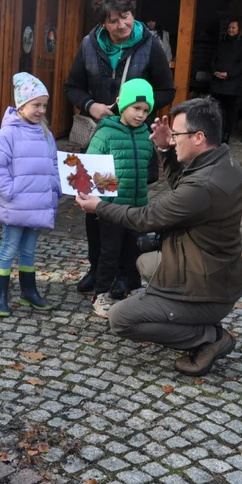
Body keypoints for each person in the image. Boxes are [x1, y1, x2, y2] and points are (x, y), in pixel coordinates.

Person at [76, 97, 242, 376]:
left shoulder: (204, 185)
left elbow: (145, 218)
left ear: (199, 137)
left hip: (206, 289)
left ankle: (208, 337)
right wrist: (167, 150)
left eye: (177, 135)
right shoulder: (224, 163)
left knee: (120, 318)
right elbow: (185, 187)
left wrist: (99, 206)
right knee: (145, 262)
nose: (174, 139)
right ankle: (177, 312)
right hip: (216, 274)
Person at [64, 0, 175, 294]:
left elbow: (168, 90)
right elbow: (72, 87)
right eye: (113, 20)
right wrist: (92, 105)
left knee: (128, 210)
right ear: (103, 23)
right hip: (99, 141)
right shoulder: (89, 44)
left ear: (132, 13)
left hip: (132, 140)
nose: (122, 25)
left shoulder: (149, 45)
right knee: (94, 209)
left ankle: (127, 275)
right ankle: (97, 269)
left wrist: (138, 104)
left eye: (125, 17)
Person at [0, 72, 60, 317]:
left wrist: (55, 190)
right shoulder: (8, 134)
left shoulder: (46, 134)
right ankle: (1, 296)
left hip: (38, 204)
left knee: (29, 251)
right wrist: (10, 192)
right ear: (21, 105)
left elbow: (54, 164)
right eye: (35, 105)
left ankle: (29, 292)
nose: (41, 110)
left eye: (44, 105)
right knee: (9, 248)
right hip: (16, 204)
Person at [85, 78, 155, 318]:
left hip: (138, 209)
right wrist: (101, 200)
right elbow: (92, 168)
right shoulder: (106, 134)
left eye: (146, 110)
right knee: (109, 252)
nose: (141, 115)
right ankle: (101, 293)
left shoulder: (147, 135)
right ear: (122, 106)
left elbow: (149, 170)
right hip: (112, 207)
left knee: (135, 251)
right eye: (136, 108)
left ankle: (135, 289)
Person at [210, 20, 242, 144]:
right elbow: (212, 60)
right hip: (218, 83)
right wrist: (215, 72)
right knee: (216, 110)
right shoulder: (221, 44)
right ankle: (216, 133)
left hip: (233, 84)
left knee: (230, 111)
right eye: (229, 27)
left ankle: (226, 134)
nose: (231, 30)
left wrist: (229, 74)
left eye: (233, 28)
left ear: (239, 30)